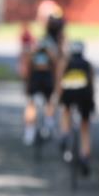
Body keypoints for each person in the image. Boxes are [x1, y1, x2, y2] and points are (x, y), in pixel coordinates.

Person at [23, 13, 65, 146]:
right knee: (49, 100)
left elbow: (29, 60)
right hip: (47, 75)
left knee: (31, 102)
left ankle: (30, 131)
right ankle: (48, 123)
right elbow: (58, 63)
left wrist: (27, 79)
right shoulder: (58, 42)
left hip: (36, 75)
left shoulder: (42, 42)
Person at [57, 40, 95, 175]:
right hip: (84, 95)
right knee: (85, 127)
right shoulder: (87, 64)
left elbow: (60, 80)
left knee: (66, 112)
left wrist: (58, 97)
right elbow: (91, 84)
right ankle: (85, 156)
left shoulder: (65, 63)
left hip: (68, 93)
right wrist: (92, 102)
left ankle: (64, 135)